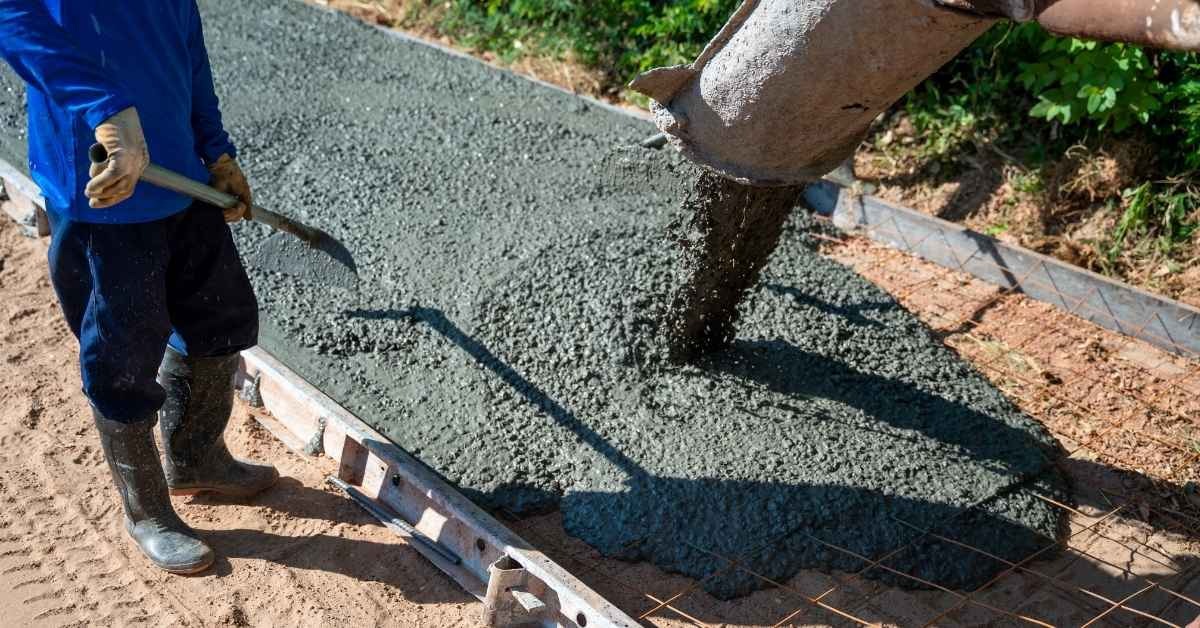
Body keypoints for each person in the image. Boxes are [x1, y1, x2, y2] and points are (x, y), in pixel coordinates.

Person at [0, 1, 277, 574]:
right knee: (122, 356)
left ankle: (196, 457)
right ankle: (146, 512)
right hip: (106, 189)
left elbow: (185, 43)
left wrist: (216, 147)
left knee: (218, 317)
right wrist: (106, 107)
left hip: (182, 176)